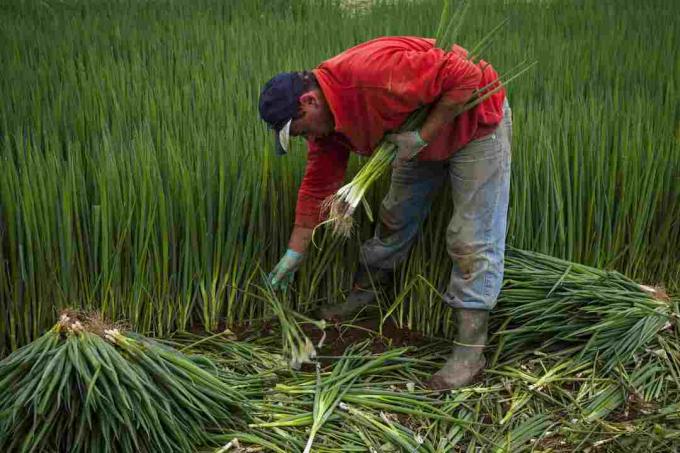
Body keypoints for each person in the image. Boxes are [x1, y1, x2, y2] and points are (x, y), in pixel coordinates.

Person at [258, 36, 512, 390]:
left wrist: (423, 135)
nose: (306, 138)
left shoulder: (369, 75)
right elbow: (317, 187)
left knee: (470, 237)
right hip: (414, 139)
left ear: (309, 101)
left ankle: (470, 351)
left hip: (473, 122)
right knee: (394, 214)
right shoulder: (326, 125)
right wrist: (293, 254)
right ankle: (366, 295)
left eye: (301, 130)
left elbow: (465, 76)